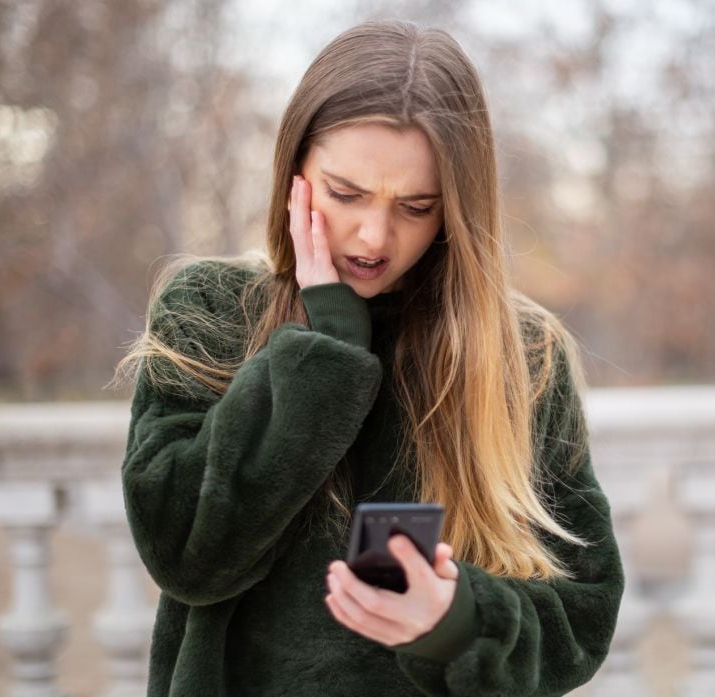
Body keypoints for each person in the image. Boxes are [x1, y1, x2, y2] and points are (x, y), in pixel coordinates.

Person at [117, 19, 624, 697]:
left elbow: (581, 613)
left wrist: (456, 621)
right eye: (347, 193)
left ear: (456, 210)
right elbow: (185, 552)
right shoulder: (209, 309)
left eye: (416, 206)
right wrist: (326, 345)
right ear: (295, 173)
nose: (374, 234)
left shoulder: (521, 355)